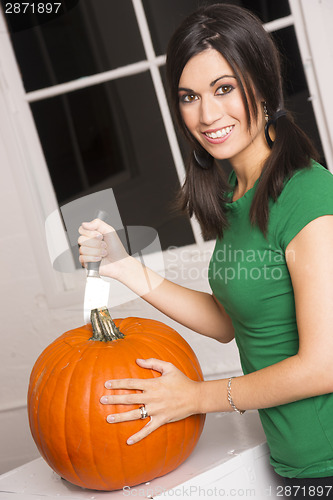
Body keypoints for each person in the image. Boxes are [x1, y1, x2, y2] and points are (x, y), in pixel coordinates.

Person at [78, 4, 333, 498]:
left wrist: (196, 397)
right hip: (298, 464)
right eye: (189, 96)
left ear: (262, 84)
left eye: (224, 88)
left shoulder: (307, 195)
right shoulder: (238, 193)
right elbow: (231, 321)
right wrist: (125, 267)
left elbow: (325, 364)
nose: (207, 114)